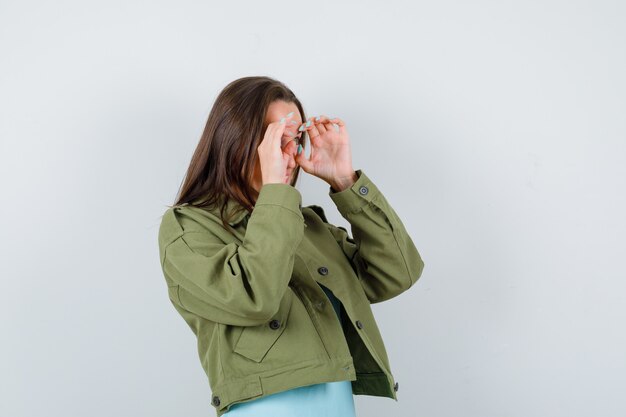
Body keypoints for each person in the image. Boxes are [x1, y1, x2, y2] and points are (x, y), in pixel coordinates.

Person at [157, 76, 425, 417]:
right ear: (234, 139)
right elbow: (256, 298)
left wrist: (345, 181)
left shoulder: (305, 226)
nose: (287, 153)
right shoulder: (188, 227)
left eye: (294, 140)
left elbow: (397, 273)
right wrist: (276, 196)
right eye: (274, 139)